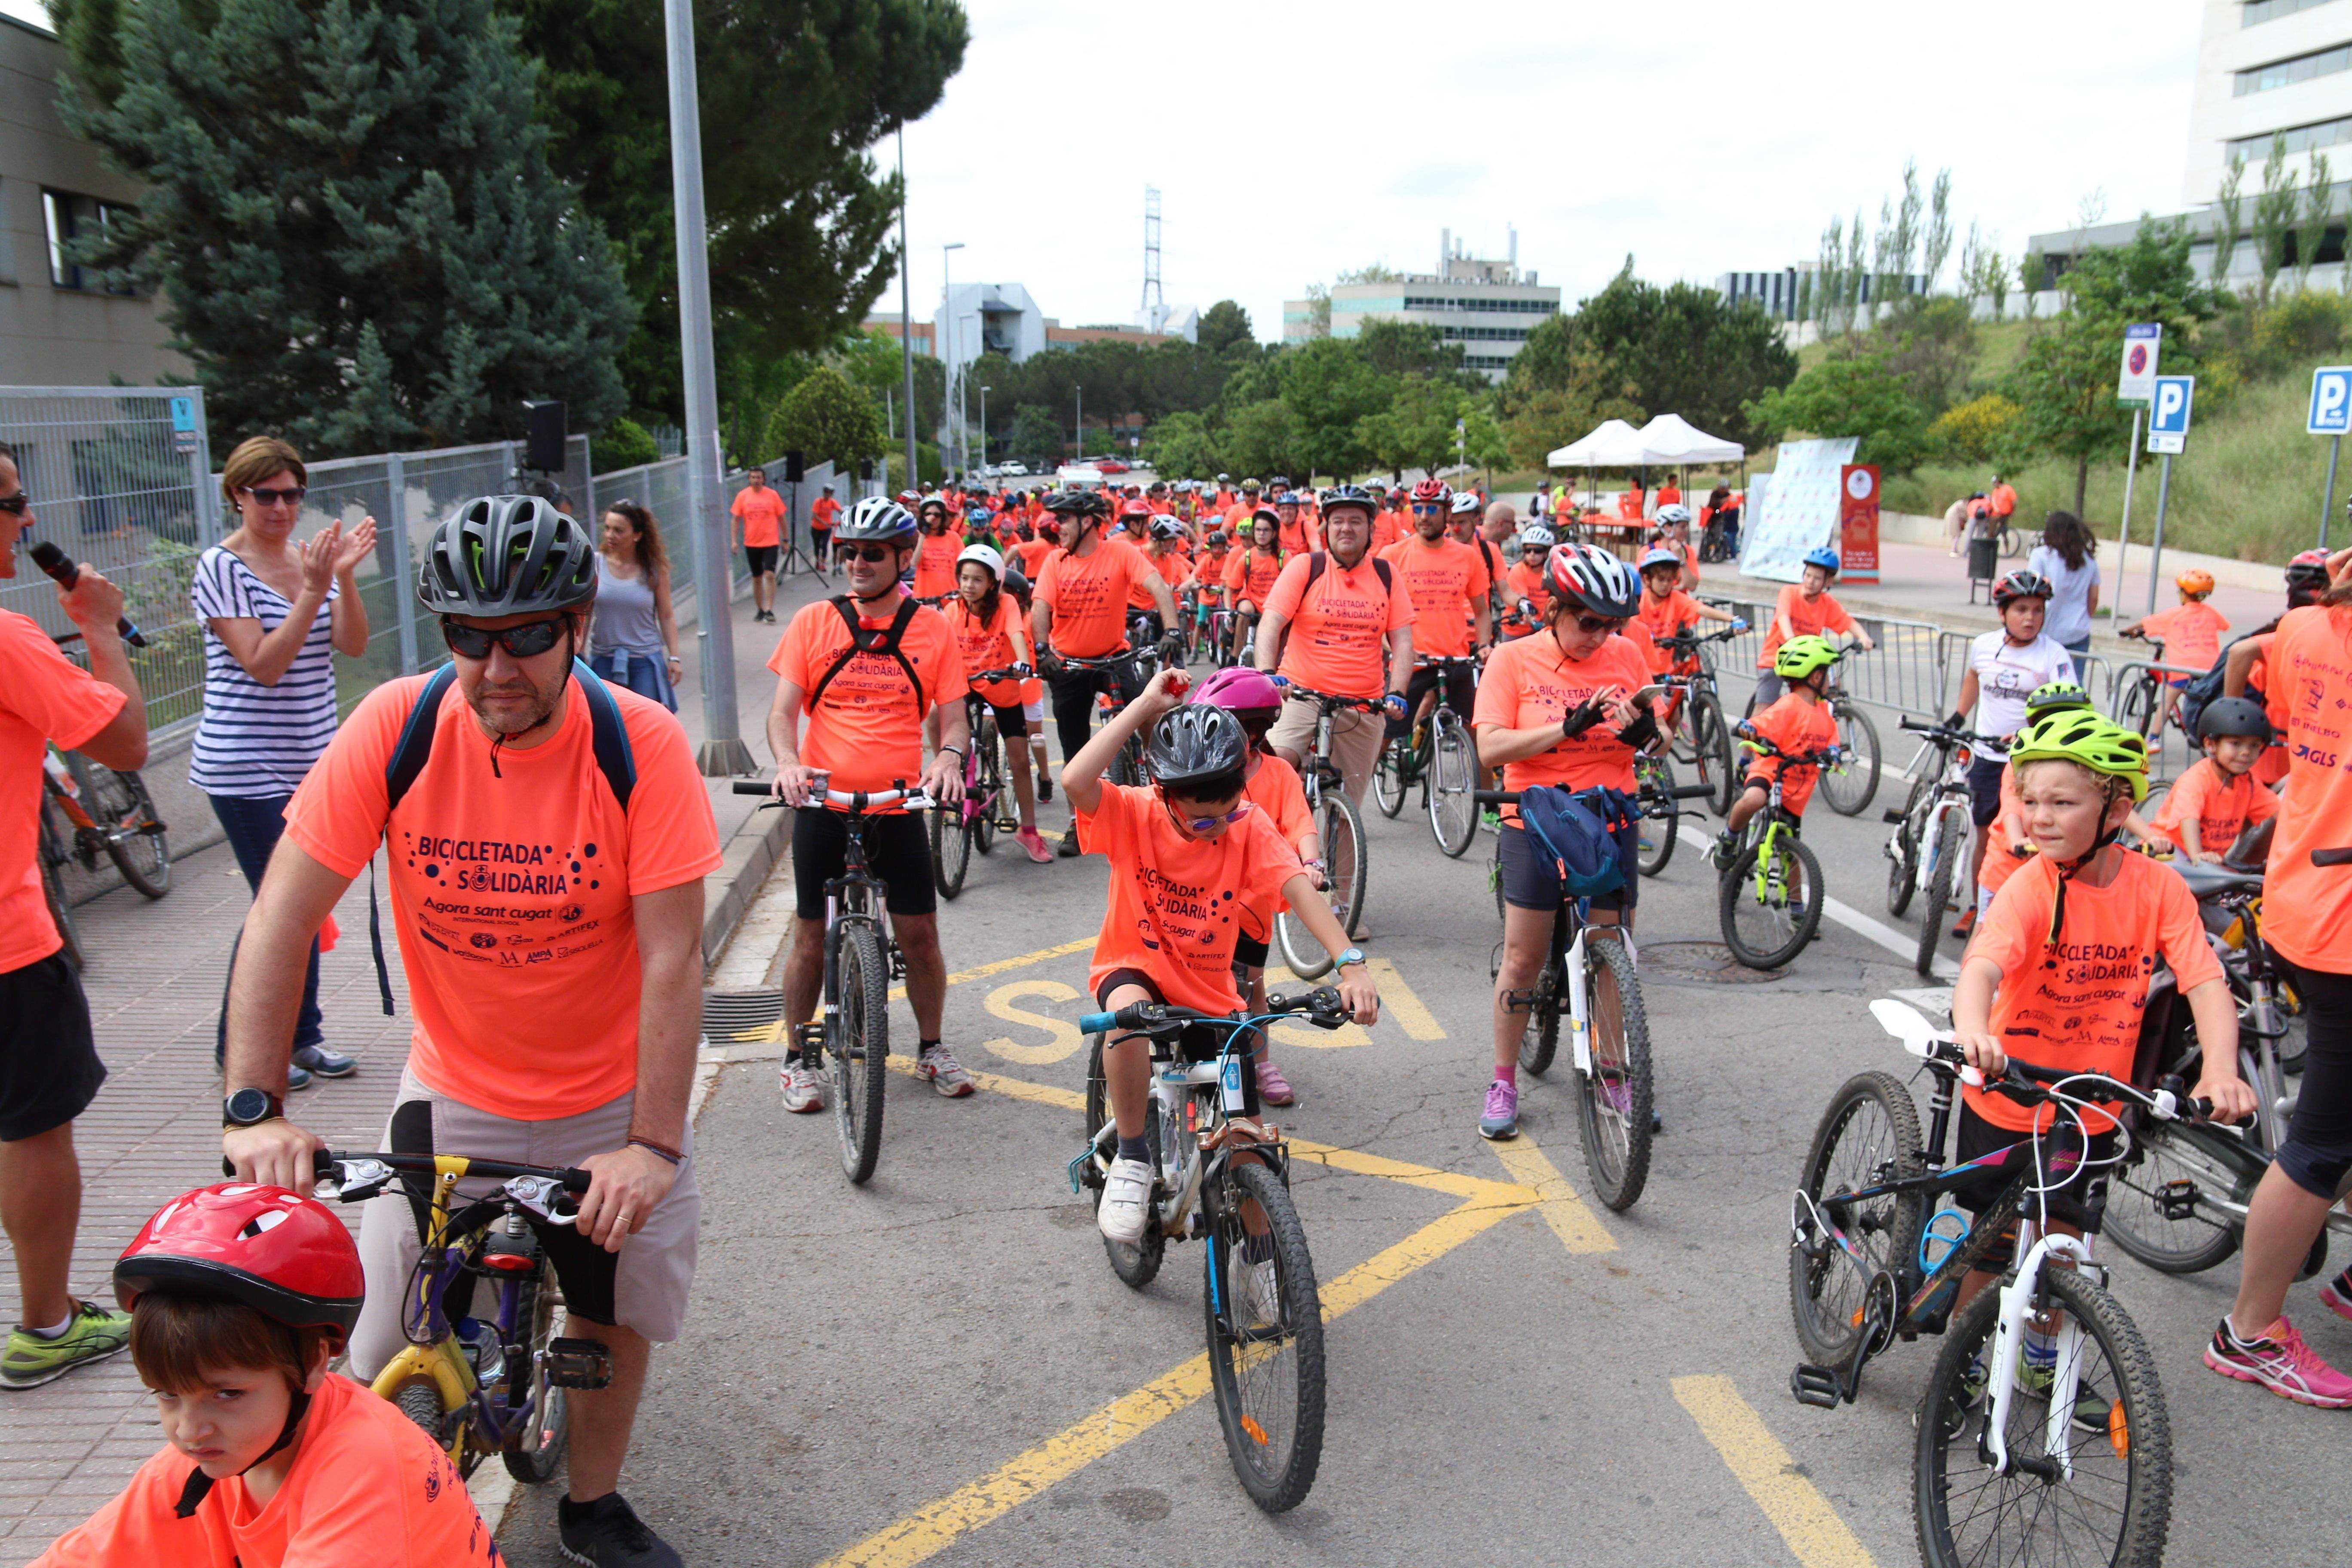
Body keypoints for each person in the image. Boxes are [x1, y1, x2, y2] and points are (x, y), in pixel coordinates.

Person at [220, 494, 718, 1568]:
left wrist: (652, 1145)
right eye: (468, 638)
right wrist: (254, 1106)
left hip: (607, 1100)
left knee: (608, 1311)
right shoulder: (397, 728)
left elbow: (676, 960)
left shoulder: (640, 746)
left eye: (529, 636)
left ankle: (591, 1503)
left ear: (579, 621)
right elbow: (280, 917)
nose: (498, 668)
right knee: (382, 1345)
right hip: (453, 1083)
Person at [1946, 710, 2251, 1328]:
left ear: (2114, 813)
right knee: (1992, 1240)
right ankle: (1965, 1349)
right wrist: (1975, 1032)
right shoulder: (2030, 889)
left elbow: (2205, 981)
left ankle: (2039, 1354)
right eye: (2030, 800)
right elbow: (1980, 968)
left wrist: (2220, 1069)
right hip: (2009, 1096)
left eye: (2061, 802)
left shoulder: (2158, 889)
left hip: (2090, 1104)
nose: (2039, 817)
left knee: (2063, 1241)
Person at [1060, 671, 1378, 1243]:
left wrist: (1351, 965)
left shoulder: (1250, 826)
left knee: (1250, 1147)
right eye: (1197, 816)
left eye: (1226, 809)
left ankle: (1262, 1267)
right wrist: (1145, 707)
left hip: (1209, 992)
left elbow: (1303, 894)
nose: (1214, 826)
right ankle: (1132, 1158)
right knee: (1128, 1018)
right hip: (1135, 965)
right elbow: (1076, 779)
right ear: (1163, 793)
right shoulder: (1133, 812)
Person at [29, 1184, 494, 1565]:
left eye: (227, 1393)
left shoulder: (366, 1467)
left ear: (313, 1363)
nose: (189, 1430)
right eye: (168, 1394)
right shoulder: (208, 1459)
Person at [0, 439, 149, 1390]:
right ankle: (47, 1326)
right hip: (8, 945)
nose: (26, 522)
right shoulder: (8, 642)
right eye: (11, 503)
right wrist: (99, 630)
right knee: (34, 1131)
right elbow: (128, 740)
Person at [2196, 546, 2352, 1406]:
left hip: (2302, 892)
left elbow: (2272, 699)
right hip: (2342, 930)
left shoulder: (2304, 626)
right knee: (2323, 1140)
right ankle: (2249, 1331)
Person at [768, 497, 973, 1104]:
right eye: (849, 551)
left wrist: (947, 760)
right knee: (808, 936)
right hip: (825, 806)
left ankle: (932, 1046)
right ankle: (796, 1056)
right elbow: (782, 714)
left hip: (898, 806)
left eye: (872, 553)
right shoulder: (813, 621)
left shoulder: (933, 629)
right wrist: (788, 763)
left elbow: (955, 722)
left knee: (921, 937)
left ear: (902, 558)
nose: (857, 562)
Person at [193, 436, 371, 1087]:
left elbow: (351, 645)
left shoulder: (310, 563)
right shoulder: (221, 566)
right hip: (244, 766)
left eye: (292, 494)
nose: (280, 507)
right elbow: (263, 665)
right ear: (237, 495)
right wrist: (312, 590)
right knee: (279, 904)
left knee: (307, 899)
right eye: (265, 495)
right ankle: (238, 1049)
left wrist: (341, 580)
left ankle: (303, 1037)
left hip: (311, 762)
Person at [1471, 543, 1658, 1140]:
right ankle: (1503, 1079)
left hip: (1610, 820)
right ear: (1556, 608)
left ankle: (1613, 1071)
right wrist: (1567, 726)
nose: (1600, 637)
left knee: (1611, 950)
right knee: (1524, 958)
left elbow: (1660, 743)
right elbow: (1493, 749)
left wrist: (1647, 731)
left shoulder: (1627, 654)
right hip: (1538, 824)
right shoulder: (1513, 659)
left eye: (1611, 625)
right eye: (1588, 623)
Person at [1189, 668, 1319, 1108]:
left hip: (1251, 903)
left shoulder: (1279, 773)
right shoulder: (1201, 771)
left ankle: (1260, 1062)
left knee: (1250, 985)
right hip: (1201, 898)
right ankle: (1204, 1053)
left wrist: (1311, 860)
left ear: (1254, 731)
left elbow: (1301, 822)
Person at [1032, 489, 1179, 857]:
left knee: (1152, 710)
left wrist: (1172, 630)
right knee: (1073, 746)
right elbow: (1039, 608)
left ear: (1086, 522)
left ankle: (1165, 787)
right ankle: (1074, 824)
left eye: (1063, 519)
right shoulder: (1055, 561)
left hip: (1114, 656)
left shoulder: (1120, 551)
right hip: (1070, 663)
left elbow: (1158, 586)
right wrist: (1041, 650)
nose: (1055, 526)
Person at [1255, 485, 1415, 816]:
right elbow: (1271, 624)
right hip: (1299, 694)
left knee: (1347, 812)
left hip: (1362, 703)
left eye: (1356, 521)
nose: (1346, 528)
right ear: (1326, 528)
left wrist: (1397, 691)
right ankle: (1279, 842)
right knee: (1278, 764)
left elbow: (1403, 642)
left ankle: (1342, 867)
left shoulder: (1386, 575)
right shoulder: (1306, 567)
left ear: (1371, 529)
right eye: (1338, 520)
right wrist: (1269, 675)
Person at [1948, 569, 2076, 939]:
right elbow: (1974, 676)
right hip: (1988, 758)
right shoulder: (1984, 645)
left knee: (2035, 840)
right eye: (2022, 609)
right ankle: (1979, 906)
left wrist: (2029, 734)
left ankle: (2032, 910)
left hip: (2032, 763)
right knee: (1987, 838)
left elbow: (2070, 706)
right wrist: (1960, 714)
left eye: (2038, 610)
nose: (2030, 618)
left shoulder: (2054, 655)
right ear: (2003, 613)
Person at [943, 543, 1052, 863]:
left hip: (1002, 686)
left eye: (977, 580)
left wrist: (1022, 664)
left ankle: (1029, 832)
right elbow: (939, 645)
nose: (969, 586)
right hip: (964, 685)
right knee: (937, 714)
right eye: (964, 578)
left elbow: (1017, 633)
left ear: (993, 583)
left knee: (1019, 760)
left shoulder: (1006, 604)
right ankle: (945, 769)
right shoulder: (952, 610)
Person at [1709, 637, 1841, 866]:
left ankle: (1798, 904)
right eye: (1827, 674)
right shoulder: (1789, 704)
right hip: (1771, 772)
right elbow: (1765, 721)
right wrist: (1749, 728)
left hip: (1796, 786)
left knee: (1792, 857)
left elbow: (1832, 737)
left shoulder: (1824, 712)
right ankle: (1729, 838)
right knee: (1753, 799)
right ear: (1817, 677)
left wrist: (1834, 754)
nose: (1830, 680)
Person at [1379, 486, 1492, 745]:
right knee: (1384, 737)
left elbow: (1482, 611)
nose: (1424, 517)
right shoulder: (1392, 556)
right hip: (1412, 663)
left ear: (1447, 513)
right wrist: (1395, 648)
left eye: (1432, 509)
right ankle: (1359, 787)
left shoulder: (1467, 555)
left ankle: (1483, 788)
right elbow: (1378, 616)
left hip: (1456, 660)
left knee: (1479, 735)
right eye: (1418, 509)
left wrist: (1485, 644)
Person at [2221, 548, 2334, 788]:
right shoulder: (2306, 628)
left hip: (2296, 746)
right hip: (2280, 748)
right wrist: (2231, 720)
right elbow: (2240, 652)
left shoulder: (2289, 625)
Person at [2141, 697, 2277, 864]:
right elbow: (2189, 819)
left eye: (2254, 746)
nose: (2246, 752)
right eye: (2235, 744)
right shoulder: (2196, 779)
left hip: (2208, 862)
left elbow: (2279, 815)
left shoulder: (2248, 783)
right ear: (2210, 744)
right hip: (2168, 855)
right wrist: (2197, 855)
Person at [588, 501, 683, 713]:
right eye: (608, 528)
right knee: (605, 725)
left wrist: (674, 657)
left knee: (646, 722)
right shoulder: (596, 564)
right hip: (604, 658)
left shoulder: (654, 570)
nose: (610, 535)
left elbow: (666, 616)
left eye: (619, 530)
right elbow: (584, 613)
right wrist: (576, 651)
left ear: (637, 535)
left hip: (644, 661)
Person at [1756, 548, 1874, 707]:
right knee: (1764, 710)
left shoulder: (1827, 603)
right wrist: (1792, 640)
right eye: (1808, 575)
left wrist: (1864, 637)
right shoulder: (1789, 592)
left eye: (1817, 578)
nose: (1810, 582)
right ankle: (1750, 729)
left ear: (1828, 582)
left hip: (1806, 662)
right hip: (1777, 659)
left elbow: (1847, 621)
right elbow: (1783, 617)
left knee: (1825, 691)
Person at [2127, 569, 2231, 727]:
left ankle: (2154, 739)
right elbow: (2225, 626)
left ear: (2184, 594)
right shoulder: (2210, 613)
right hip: (2210, 670)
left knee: (2166, 704)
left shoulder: (2174, 614)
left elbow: (2147, 622)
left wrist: (2127, 631)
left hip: (2182, 670)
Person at [2027, 511, 2101, 679]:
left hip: (2048, 629)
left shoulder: (2042, 555)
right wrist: (2085, 617)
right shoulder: (2088, 559)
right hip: (2078, 630)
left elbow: (2033, 588)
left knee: (2041, 680)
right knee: (2073, 682)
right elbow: (2094, 597)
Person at [1222, 508, 1287, 664]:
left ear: (1274, 533)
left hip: (1273, 605)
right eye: (1258, 530)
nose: (1262, 534)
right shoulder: (1248, 557)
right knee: (1245, 611)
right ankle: (1235, 656)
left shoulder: (1283, 557)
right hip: (1251, 599)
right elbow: (1230, 588)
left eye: (1266, 530)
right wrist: (1229, 612)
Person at [731, 466, 786, 624]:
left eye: (759, 477)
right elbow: (735, 520)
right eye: (753, 477)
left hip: (771, 542)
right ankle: (760, 609)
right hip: (752, 543)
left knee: (769, 574)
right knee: (757, 577)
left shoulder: (772, 495)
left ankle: (769, 609)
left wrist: (786, 540)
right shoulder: (743, 496)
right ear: (749, 479)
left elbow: (782, 518)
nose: (756, 480)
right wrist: (734, 541)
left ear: (764, 479)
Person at [911, 498, 963, 600]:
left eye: (937, 515)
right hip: (924, 598)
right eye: (928, 514)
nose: (933, 518)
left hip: (949, 596)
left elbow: (962, 565)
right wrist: (923, 534)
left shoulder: (954, 538)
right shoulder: (917, 538)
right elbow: (914, 562)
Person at [808, 483, 840, 578]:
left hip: (827, 529)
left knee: (825, 545)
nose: (828, 495)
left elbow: (840, 509)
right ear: (824, 493)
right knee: (817, 545)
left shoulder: (832, 502)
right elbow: (814, 515)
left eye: (830, 493)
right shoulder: (819, 502)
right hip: (816, 528)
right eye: (827, 492)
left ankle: (823, 563)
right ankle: (818, 562)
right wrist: (824, 522)